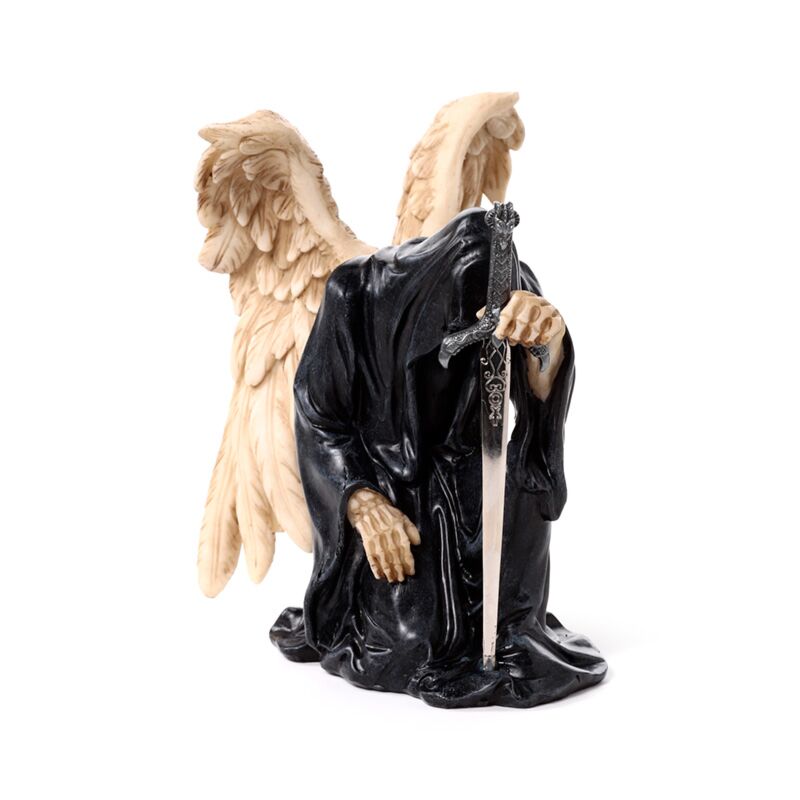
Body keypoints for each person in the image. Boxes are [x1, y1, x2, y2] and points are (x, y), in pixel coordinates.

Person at [270, 208, 606, 708]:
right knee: (410, 643)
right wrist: (362, 503)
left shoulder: (515, 291)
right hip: (391, 488)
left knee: (525, 482)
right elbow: (317, 416)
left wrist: (550, 345)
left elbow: (539, 408)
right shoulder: (356, 295)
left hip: (476, 474)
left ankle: (510, 629)